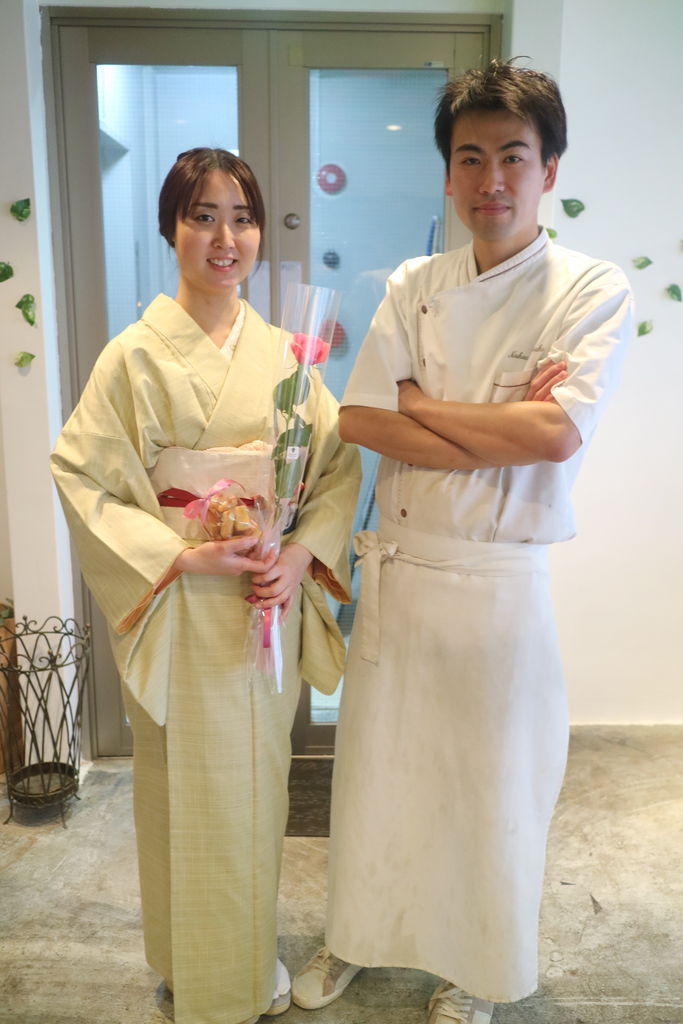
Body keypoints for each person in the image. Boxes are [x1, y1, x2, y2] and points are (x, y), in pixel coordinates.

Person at [292, 59, 633, 1024]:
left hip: (497, 582)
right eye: (470, 158)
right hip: (402, 575)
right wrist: (493, 424)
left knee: (490, 792)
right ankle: (355, 936)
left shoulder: (589, 288)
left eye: (513, 157)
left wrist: (423, 406)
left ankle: (477, 969)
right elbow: (362, 420)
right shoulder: (415, 282)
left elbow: (554, 434)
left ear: (548, 169)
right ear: (447, 173)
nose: (491, 179)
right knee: (378, 781)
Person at [50, 148, 360, 1024]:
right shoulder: (132, 356)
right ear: (171, 229)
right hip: (181, 603)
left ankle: (244, 954)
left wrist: (297, 555)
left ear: (259, 233)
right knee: (179, 793)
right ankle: (191, 964)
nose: (225, 238)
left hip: (262, 602)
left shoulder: (286, 356)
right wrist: (179, 555)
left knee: (255, 791)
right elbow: (81, 474)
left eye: (241, 218)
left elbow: (335, 470)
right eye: (202, 216)